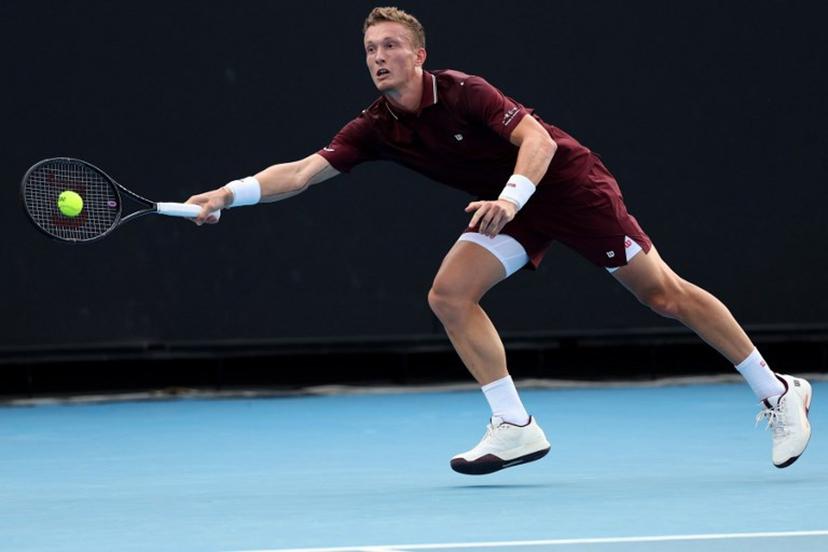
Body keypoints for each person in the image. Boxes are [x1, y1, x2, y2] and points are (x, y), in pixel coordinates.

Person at [186, 7, 812, 474]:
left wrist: (509, 199)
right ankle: (514, 423)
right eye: (370, 48)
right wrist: (225, 194)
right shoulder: (375, 126)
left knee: (664, 296)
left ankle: (778, 391)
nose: (378, 56)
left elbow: (537, 142)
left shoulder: (463, 91)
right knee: (450, 295)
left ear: (419, 55)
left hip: (564, 186)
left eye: (391, 45)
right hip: (510, 208)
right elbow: (297, 173)